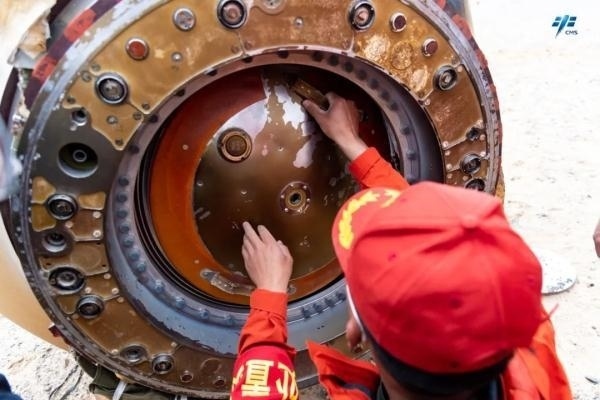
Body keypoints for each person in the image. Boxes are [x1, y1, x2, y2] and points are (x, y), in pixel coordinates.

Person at [230, 93, 572, 399]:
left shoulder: (525, 330)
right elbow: (432, 240)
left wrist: (268, 301)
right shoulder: (531, 351)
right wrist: (352, 143)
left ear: (354, 332)